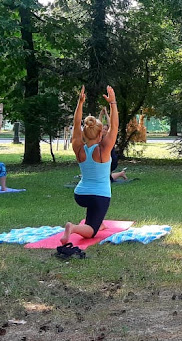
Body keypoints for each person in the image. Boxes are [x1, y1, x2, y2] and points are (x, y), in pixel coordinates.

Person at [60, 85, 118, 244]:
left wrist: (80, 103)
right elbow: (114, 127)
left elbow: (77, 122)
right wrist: (112, 103)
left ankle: (100, 223)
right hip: (99, 196)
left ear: (84, 133)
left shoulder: (78, 148)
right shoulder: (104, 150)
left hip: (80, 195)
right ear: (101, 134)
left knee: (94, 212)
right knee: (91, 231)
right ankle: (73, 228)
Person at [100, 107, 127, 182]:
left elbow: (111, 125)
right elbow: (98, 124)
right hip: (103, 161)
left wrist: (106, 113)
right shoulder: (98, 137)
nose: (103, 130)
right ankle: (121, 173)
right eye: (103, 128)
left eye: (105, 129)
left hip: (112, 161)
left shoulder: (109, 137)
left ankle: (121, 173)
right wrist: (101, 115)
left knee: (106, 179)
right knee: (103, 177)